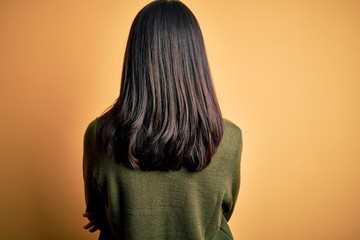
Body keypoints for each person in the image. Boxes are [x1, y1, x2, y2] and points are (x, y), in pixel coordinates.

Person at [82, 0, 242, 239]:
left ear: (134, 59)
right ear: (195, 60)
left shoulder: (99, 135)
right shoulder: (229, 137)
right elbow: (222, 212)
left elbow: (97, 210)